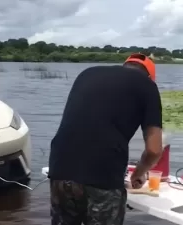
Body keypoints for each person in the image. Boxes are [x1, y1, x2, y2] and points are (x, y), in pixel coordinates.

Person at [48, 53, 163, 225]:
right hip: (102, 174)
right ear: (149, 77)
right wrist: (138, 173)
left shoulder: (87, 73)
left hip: (60, 167)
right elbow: (154, 150)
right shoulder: (148, 86)